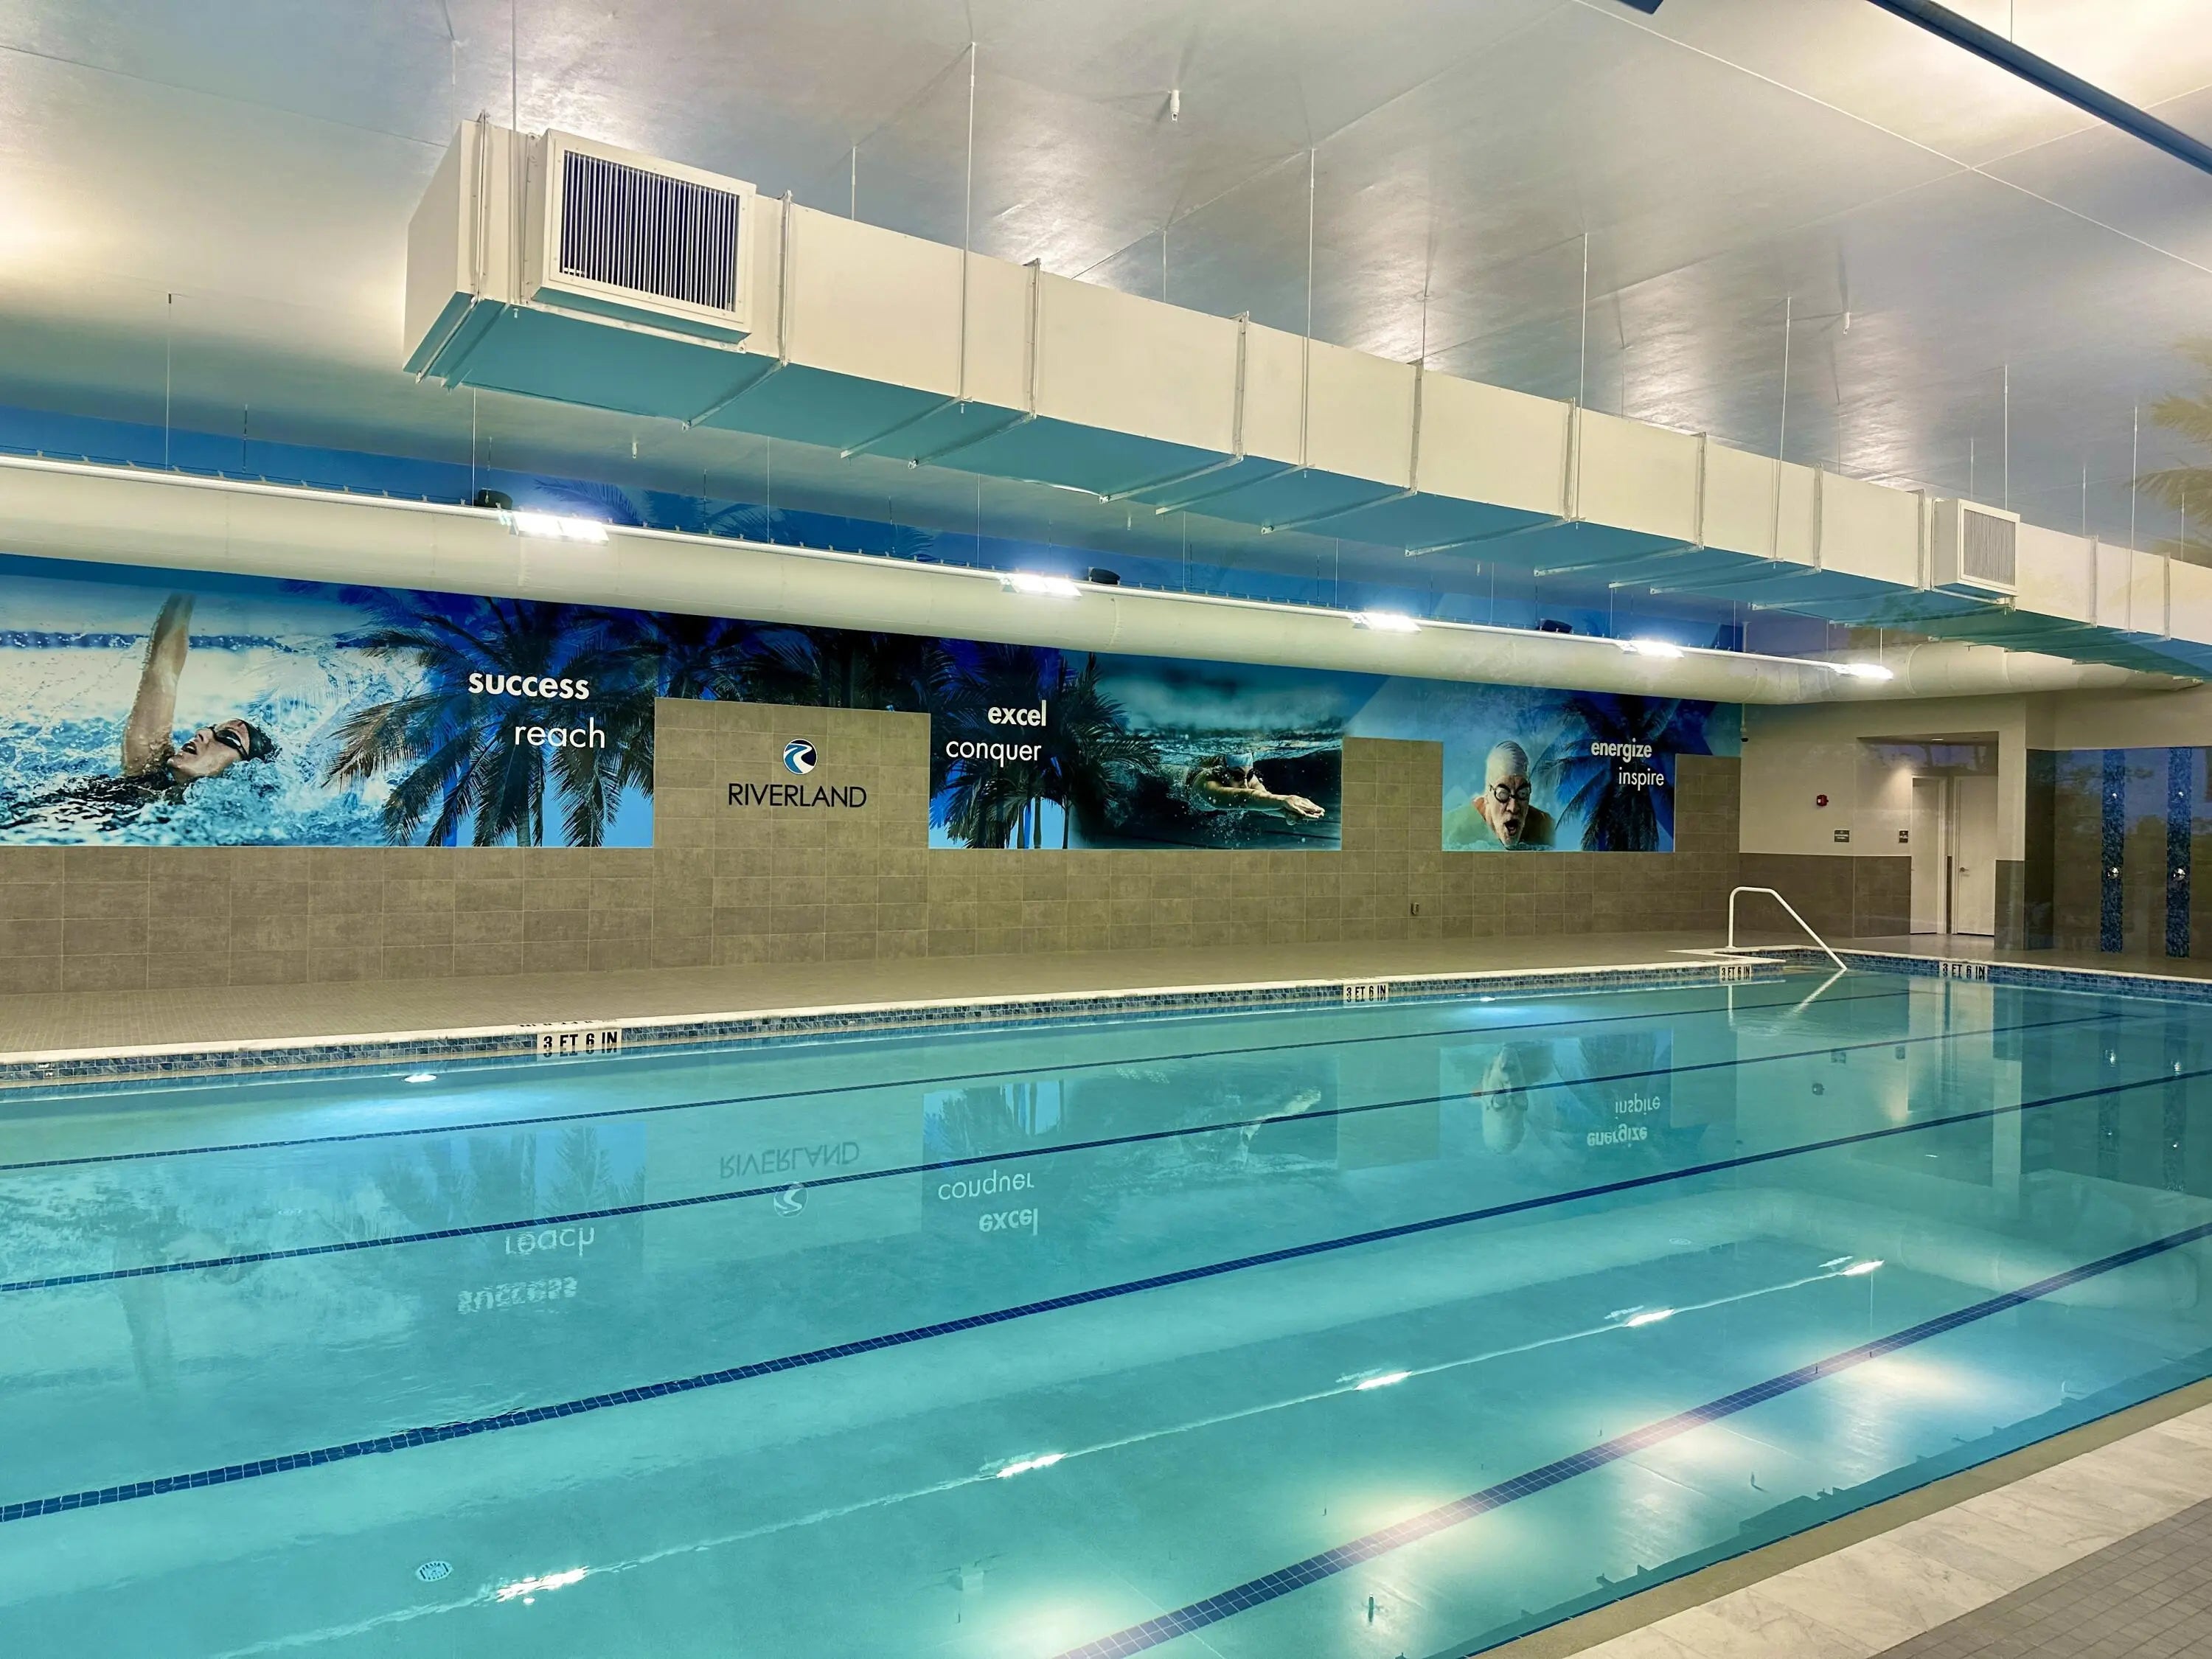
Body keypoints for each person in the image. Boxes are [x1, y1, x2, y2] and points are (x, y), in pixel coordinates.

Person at [0, 593, 276, 831]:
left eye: (227, 738)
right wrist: (187, 587)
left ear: (246, 773)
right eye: (212, 729)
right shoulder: (148, 771)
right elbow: (162, 670)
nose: (203, 732)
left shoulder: (226, 826)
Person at [1443, 740, 1555, 849]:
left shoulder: (1544, 827)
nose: (1513, 807)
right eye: (1503, 794)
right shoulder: (1456, 829)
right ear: (1488, 795)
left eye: (1522, 793)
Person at [1178, 751, 1324, 823]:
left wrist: (1288, 813)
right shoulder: (1206, 783)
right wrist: (1286, 799)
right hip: (1179, 775)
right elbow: (1245, 799)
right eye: (1237, 776)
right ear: (1223, 771)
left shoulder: (1248, 779)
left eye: (1249, 775)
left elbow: (1265, 801)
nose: (1246, 784)